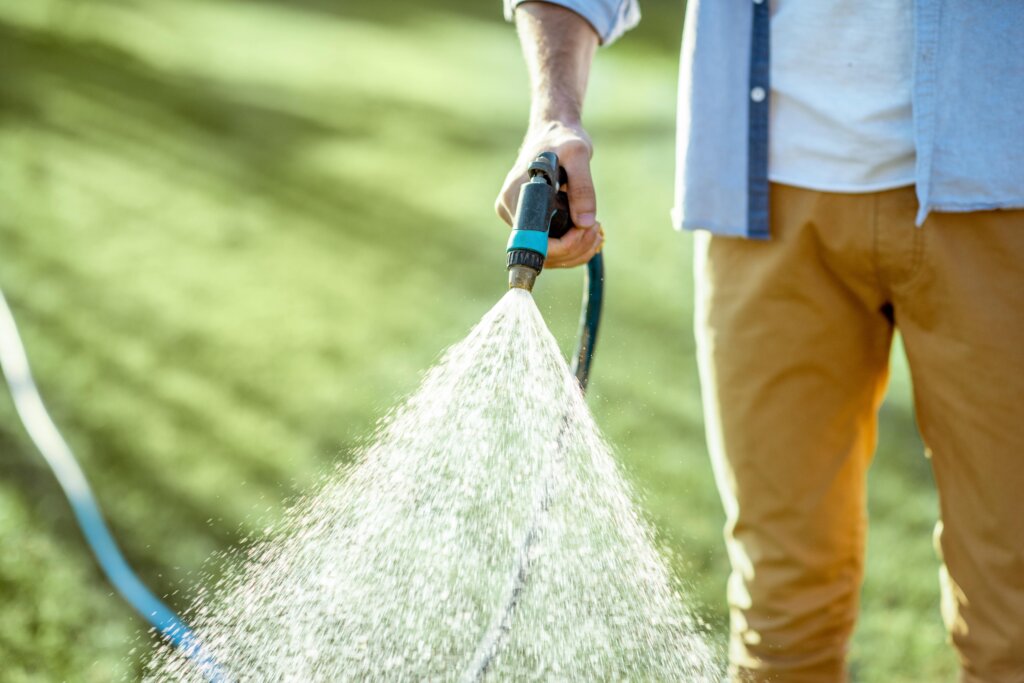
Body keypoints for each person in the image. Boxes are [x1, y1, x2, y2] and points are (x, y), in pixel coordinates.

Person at [494, 1, 1024, 681]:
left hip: (1004, 184)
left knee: (1014, 611)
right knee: (781, 615)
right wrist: (553, 113)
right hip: (759, 193)